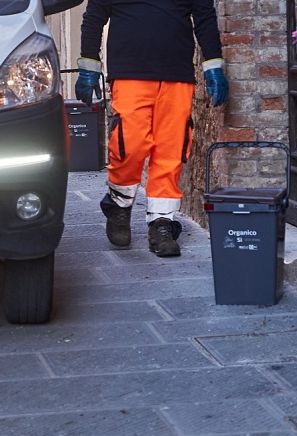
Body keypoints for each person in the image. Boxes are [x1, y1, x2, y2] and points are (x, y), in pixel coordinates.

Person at [75, 0, 229, 257]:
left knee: (171, 150)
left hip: (177, 73)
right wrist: (89, 65)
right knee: (129, 145)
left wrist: (213, 65)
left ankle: (162, 223)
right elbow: (94, 16)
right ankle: (119, 203)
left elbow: (204, 16)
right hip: (129, 71)